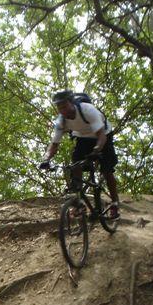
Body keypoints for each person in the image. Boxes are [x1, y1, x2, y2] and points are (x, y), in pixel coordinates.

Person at [39, 89, 120, 220]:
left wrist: (96, 151)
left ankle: (115, 203)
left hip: (103, 136)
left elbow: (101, 136)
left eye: (64, 106)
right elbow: (54, 144)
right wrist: (46, 159)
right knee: (75, 165)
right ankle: (78, 203)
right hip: (83, 138)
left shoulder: (88, 110)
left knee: (107, 169)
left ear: (72, 103)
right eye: (59, 108)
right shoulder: (61, 122)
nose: (62, 110)